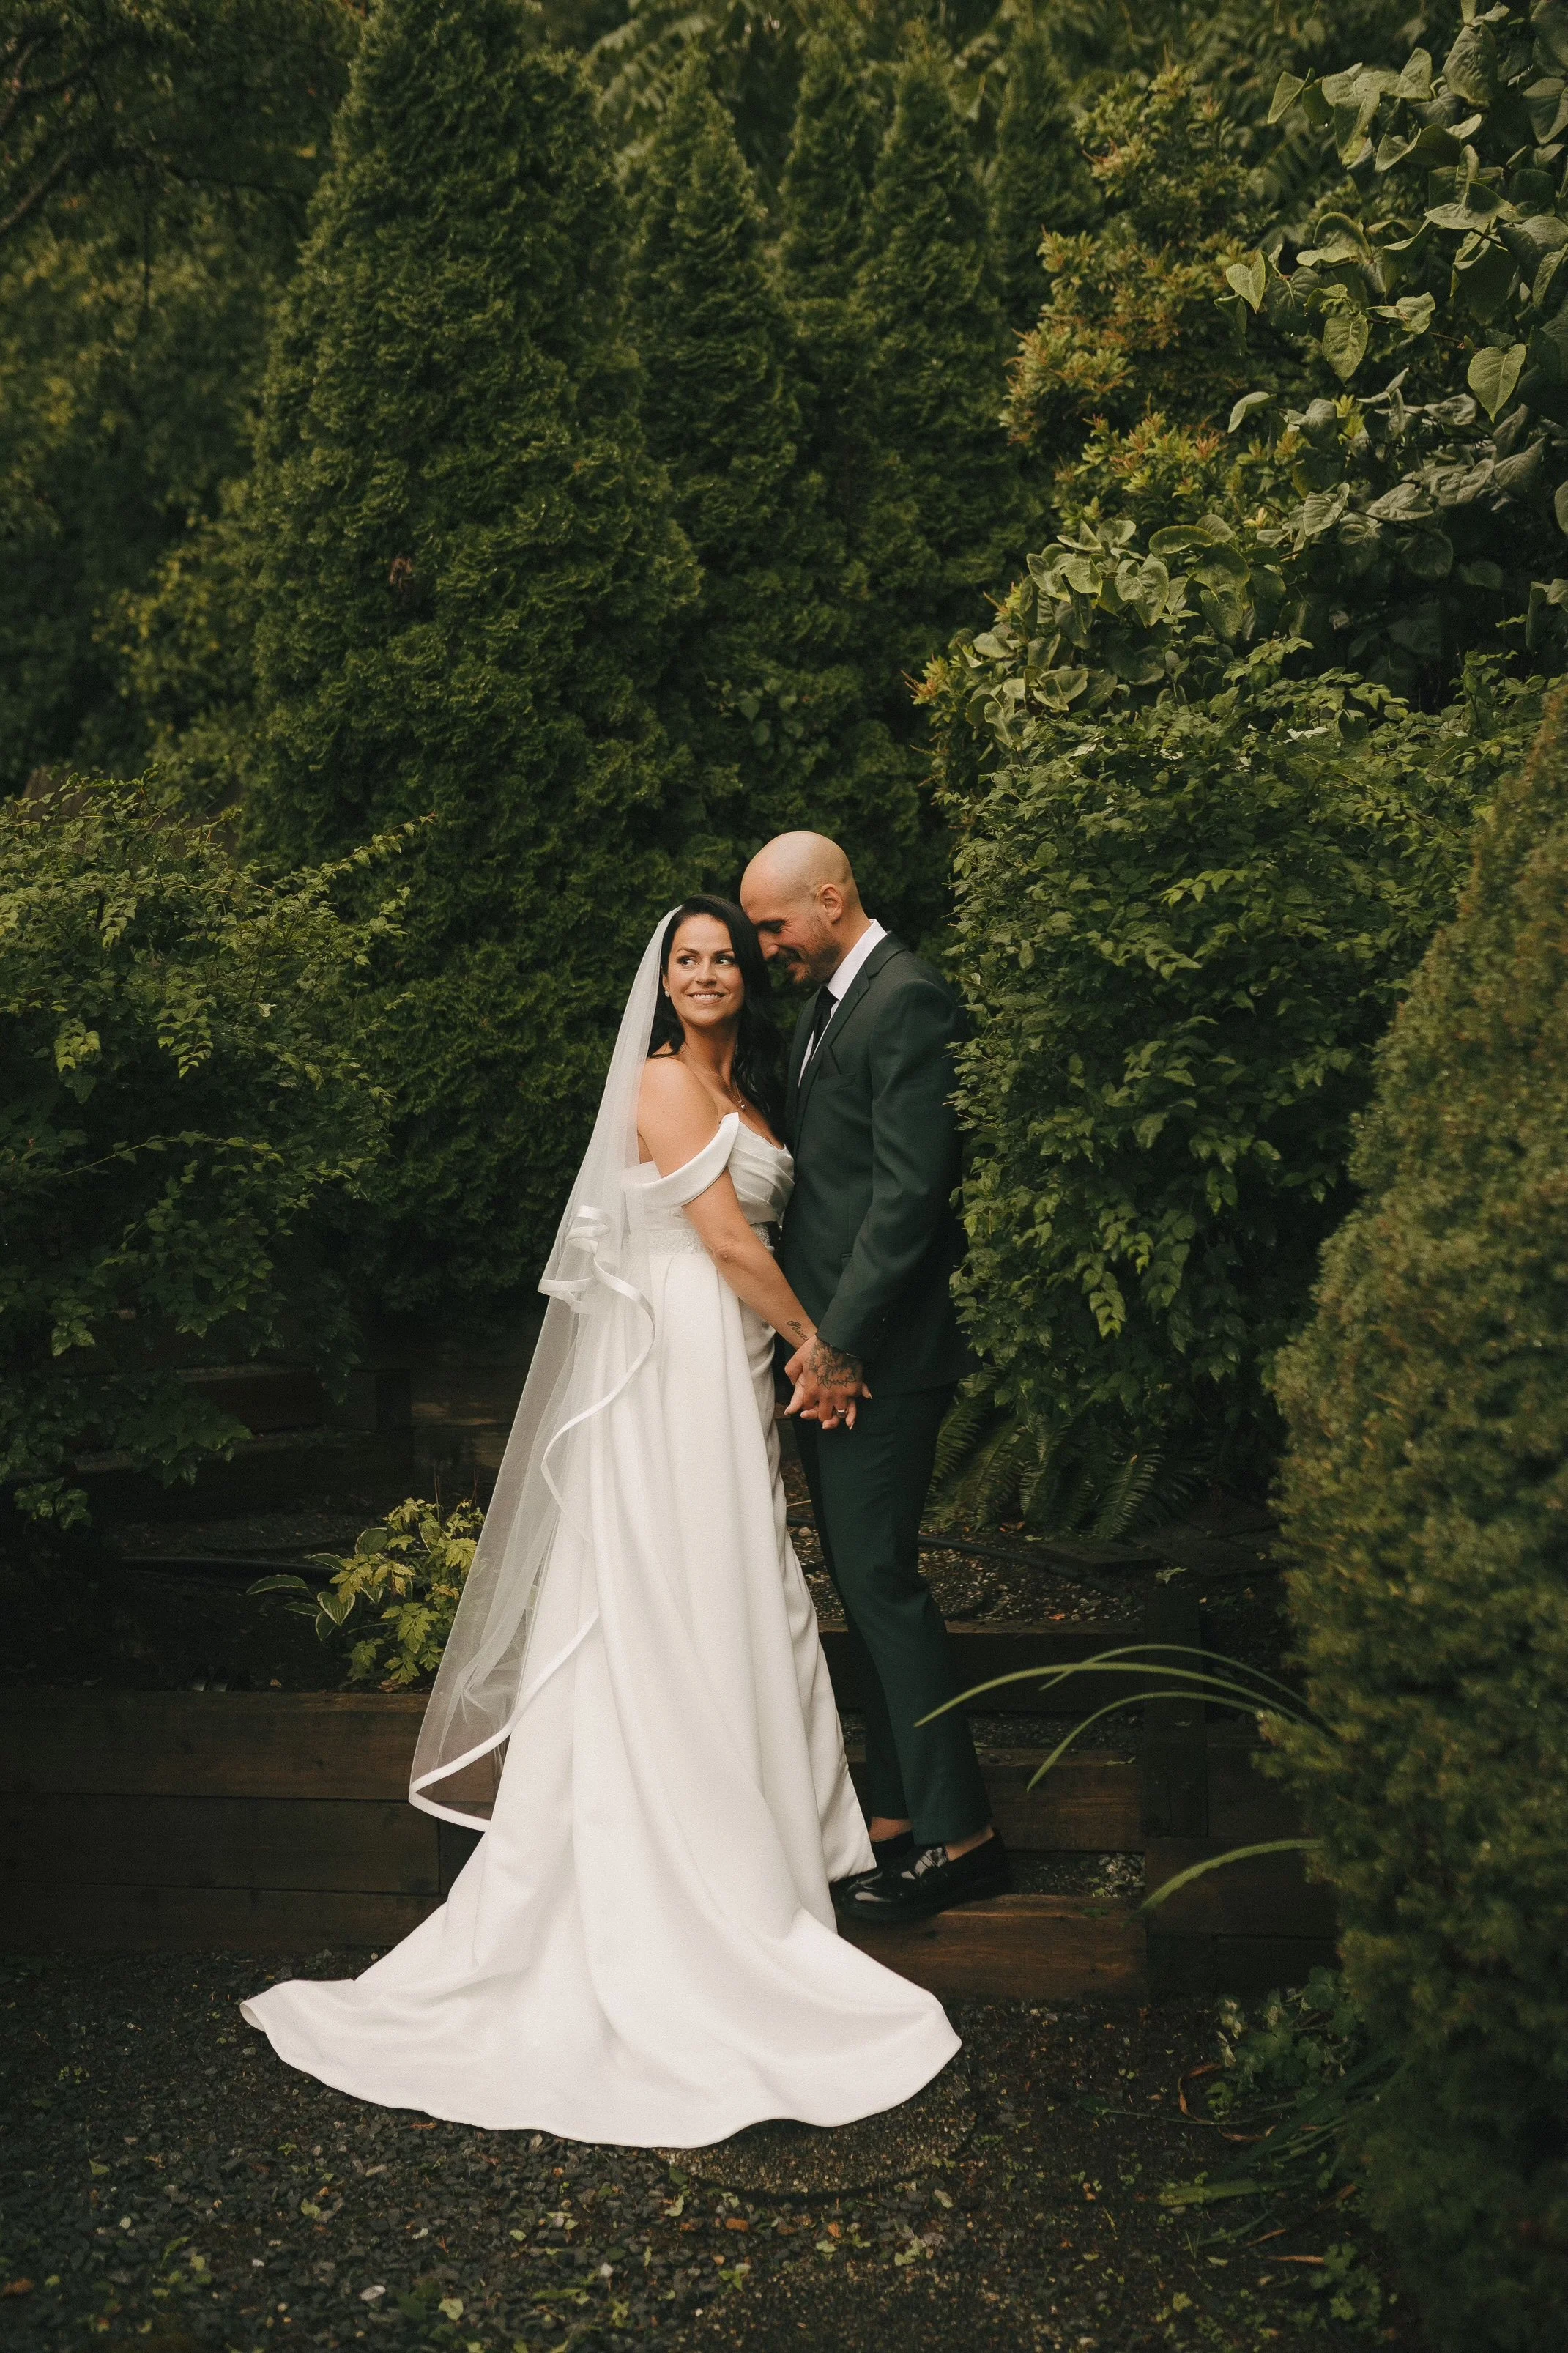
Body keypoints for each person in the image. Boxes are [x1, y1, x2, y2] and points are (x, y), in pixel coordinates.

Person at [241, 897, 959, 2143]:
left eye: (725, 956)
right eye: (685, 959)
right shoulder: (670, 1087)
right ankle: (693, 1879)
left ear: (749, 974)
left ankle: (766, 1858)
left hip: (729, 1372)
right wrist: (818, 1347)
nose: (705, 974)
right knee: (686, 1592)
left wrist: (788, 1349)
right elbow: (729, 1241)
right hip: (677, 1362)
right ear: (661, 980)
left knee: (747, 1592)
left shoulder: (759, 1091)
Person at [740, 834, 1008, 1925]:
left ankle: (965, 1835)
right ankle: (895, 1817)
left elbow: (910, 1196)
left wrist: (841, 1343)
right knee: (861, 1581)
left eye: (773, 928)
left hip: (882, 1363)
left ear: (833, 898)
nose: (767, 950)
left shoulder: (908, 998)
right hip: (833, 1360)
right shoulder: (833, 1004)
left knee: (884, 1585)